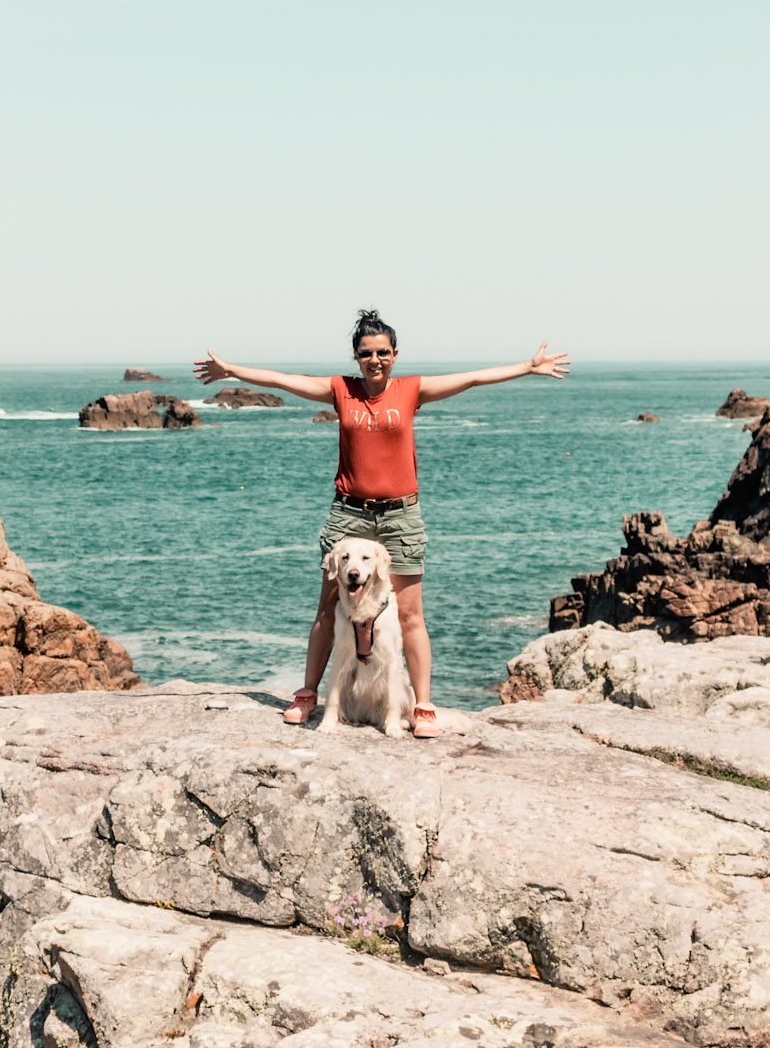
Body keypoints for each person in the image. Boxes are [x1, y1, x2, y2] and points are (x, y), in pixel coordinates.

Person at [194, 309, 570, 738]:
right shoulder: (341, 390)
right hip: (349, 513)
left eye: (383, 353)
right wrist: (230, 370)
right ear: (356, 356)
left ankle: (423, 706)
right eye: (367, 353)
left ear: (395, 354)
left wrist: (527, 366)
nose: (375, 360)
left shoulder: (412, 390)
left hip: (401, 516)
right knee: (328, 608)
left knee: (410, 615)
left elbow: (472, 378)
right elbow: (282, 380)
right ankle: (307, 696)